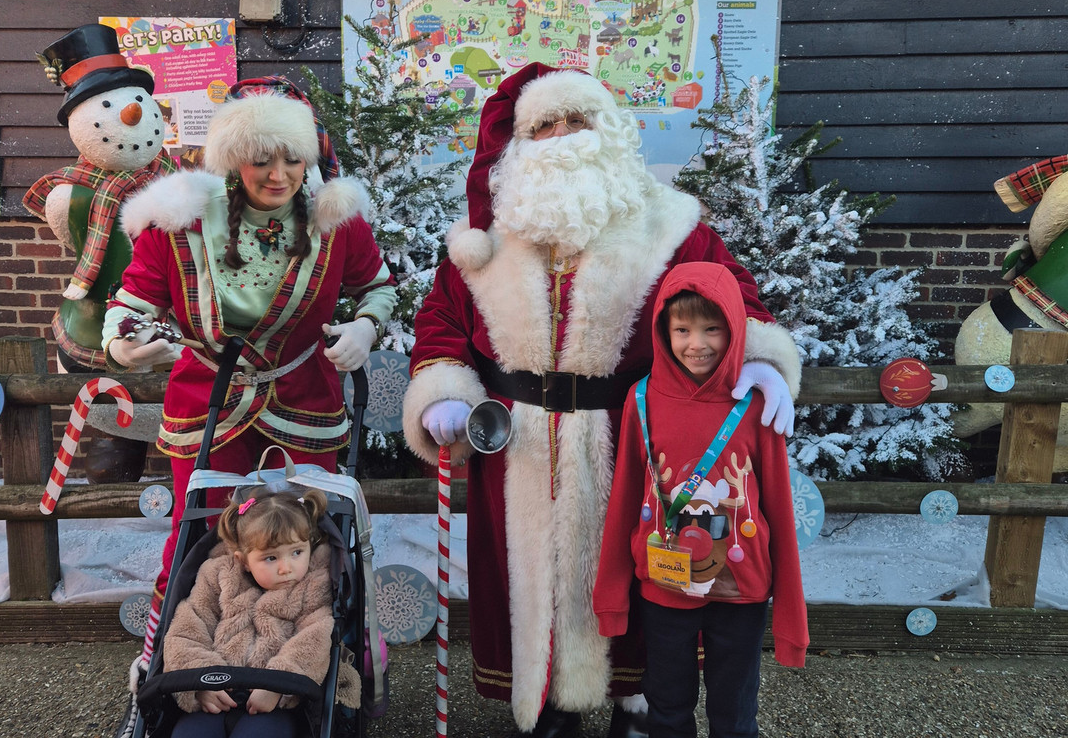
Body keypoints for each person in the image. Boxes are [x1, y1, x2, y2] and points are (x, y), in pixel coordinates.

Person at [402, 64, 801, 737]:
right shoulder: (483, 239)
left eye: (577, 121)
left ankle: (637, 700)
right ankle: (551, 701)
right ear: (518, 143)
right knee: (535, 583)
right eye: (544, 126)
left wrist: (757, 357)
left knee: (639, 562)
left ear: (608, 130)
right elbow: (439, 321)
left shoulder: (672, 226)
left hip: (635, 435)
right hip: (517, 444)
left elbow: (731, 294)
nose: (561, 137)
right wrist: (442, 390)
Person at [101, 76, 396, 709]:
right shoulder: (176, 223)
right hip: (206, 406)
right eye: (262, 158)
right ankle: (174, 660)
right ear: (233, 158)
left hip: (306, 402)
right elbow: (131, 303)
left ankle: (320, 664)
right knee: (194, 534)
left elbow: (378, 286)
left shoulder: (335, 221)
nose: (280, 174)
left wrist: (367, 327)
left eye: (293, 157)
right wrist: (123, 342)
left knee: (315, 538)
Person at [593, 261, 808, 737]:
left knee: (734, 713)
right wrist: (611, 597)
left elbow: (778, 506)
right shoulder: (641, 400)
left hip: (741, 588)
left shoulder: (756, 405)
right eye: (683, 329)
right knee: (667, 706)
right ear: (662, 331)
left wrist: (793, 623)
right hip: (664, 585)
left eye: (713, 328)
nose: (697, 344)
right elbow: (625, 498)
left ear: (733, 327)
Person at [163, 488, 334, 738]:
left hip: (275, 702)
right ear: (243, 560)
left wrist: (280, 684)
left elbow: (316, 636)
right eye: (271, 558)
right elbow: (186, 629)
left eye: (297, 552)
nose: (286, 568)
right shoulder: (218, 576)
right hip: (215, 691)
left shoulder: (314, 583)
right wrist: (200, 682)